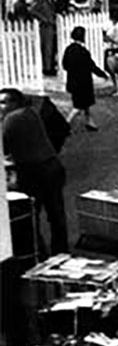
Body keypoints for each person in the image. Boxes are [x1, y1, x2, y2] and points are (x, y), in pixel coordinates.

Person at [1, 87, 69, 255]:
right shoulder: (30, 112)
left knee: (31, 215)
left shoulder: (12, 119)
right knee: (55, 214)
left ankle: (40, 253)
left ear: (14, 103)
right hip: (51, 167)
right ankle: (61, 252)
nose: (0, 106)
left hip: (34, 173)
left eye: (3, 102)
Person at [62, 26, 107, 131]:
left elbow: (64, 65)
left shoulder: (68, 50)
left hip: (73, 81)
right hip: (83, 83)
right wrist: (102, 74)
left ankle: (90, 122)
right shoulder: (83, 52)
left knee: (85, 105)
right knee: (78, 107)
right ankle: (66, 124)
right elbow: (91, 66)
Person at [29, 0, 58, 75]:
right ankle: (47, 68)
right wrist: (43, 18)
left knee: (52, 46)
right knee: (47, 47)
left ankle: (51, 65)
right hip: (45, 26)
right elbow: (32, 10)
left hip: (52, 23)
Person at [103, 6, 118, 96]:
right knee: (111, 70)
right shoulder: (109, 24)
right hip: (110, 48)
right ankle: (116, 87)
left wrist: (110, 39)